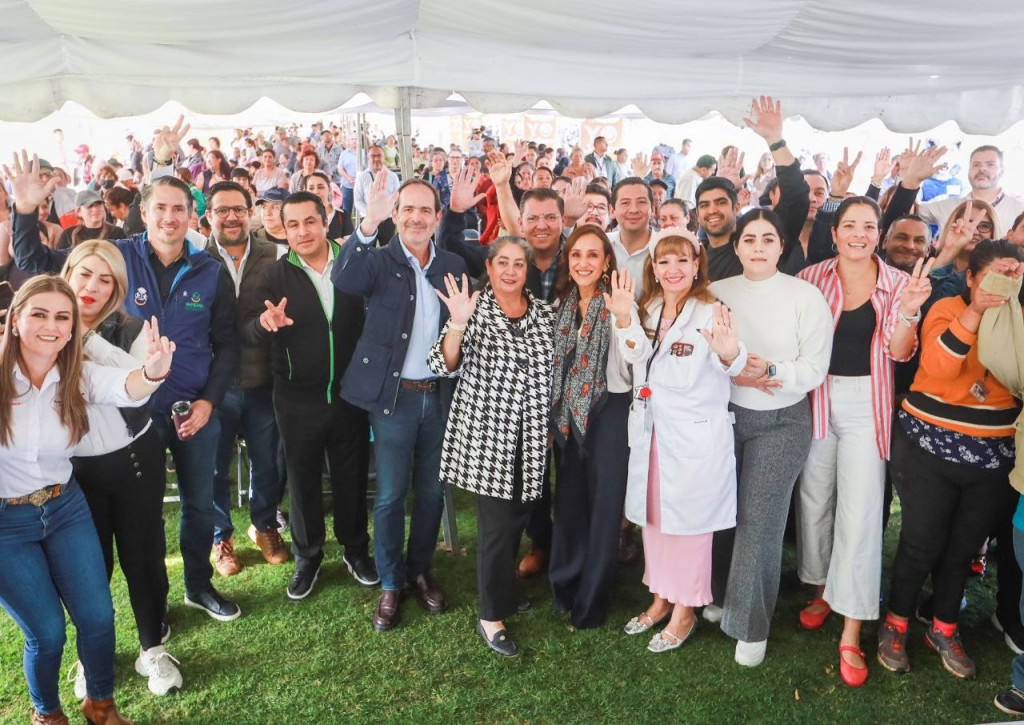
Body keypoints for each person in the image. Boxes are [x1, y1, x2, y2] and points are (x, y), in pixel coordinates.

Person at [9, 129, 243, 624]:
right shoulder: (117, 255)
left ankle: (198, 587)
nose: (170, 217)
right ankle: (140, 611)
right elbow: (41, 266)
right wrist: (26, 214)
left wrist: (209, 403)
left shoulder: (209, 269)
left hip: (193, 410)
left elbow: (227, 344)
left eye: (180, 209)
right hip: (127, 421)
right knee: (142, 525)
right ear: (144, 211)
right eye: (161, 207)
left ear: (191, 215)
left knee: (202, 505)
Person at [0, 275, 174, 725]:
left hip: (64, 508)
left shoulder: (75, 372)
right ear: (15, 319)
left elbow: (124, 386)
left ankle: (101, 707)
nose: (51, 326)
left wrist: (152, 371)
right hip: (6, 523)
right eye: (39, 314)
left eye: (63, 317)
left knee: (98, 618)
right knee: (48, 633)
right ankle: (48, 715)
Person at [794, 196, 932, 687]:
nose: (858, 233)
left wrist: (911, 313)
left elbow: (899, 351)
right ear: (834, 233)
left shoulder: (899, 284)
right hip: (816, 397)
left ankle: (851, 626)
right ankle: (820, 587)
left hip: (866, 401)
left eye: (868, 226)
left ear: (879, 234)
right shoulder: (812, 279)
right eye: (849, 225)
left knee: (862, 508)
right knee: (813, 499)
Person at [878, 240, 1024, 680]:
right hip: (928, 447)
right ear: (973, 278)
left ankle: (943, 626)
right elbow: (940, 368)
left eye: (1016, 274)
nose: (1007, 283)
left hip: (993, 454)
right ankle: (895, 623)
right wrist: (976, 312)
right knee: (921, 540)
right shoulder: (947, 308)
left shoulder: (1019, 321)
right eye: (998, 274)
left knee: (963, 548)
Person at [334, 173, 467, 631]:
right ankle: (391, 581)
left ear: (436, 217)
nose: (415, 217)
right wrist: (365, 225)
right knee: (391, 496)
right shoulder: (376, 261)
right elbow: (344, 276)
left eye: (424, 210)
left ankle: (419, 570)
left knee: (431, 491)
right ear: (395, 214)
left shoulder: (451, 263)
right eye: (406, 209)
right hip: (393, 402)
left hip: (439, 398)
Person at [609, 231, 746, 653]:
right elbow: (635, 357)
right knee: (654, 519)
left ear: (696, 264)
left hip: (692, 440)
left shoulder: (711, 310)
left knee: (689, 529)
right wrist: (624, 318)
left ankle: (685, 611)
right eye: (665, 262)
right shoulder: (646, 307)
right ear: (653, 267)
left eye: (682, 261)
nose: (674, 270)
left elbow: (734, 361)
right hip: (652, 434)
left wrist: (728, 353)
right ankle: (660, 599)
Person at [707, 209, 833, 667]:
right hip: (724, 419)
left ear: (782, 246)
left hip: (782, 421)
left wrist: (771, 371)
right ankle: (721, 595)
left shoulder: (806, 296)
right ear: (736, 246)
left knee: (760, 522)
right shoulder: (717, 293)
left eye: (768, 238)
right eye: (749, 238)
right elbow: (703, 356)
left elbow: (815, 368)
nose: (758, 246)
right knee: (722, 515)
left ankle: (750, 626)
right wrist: (736, 370)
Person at [60, 241, 183, 698]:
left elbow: (139, 383)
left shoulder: (131, 327)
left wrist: (87, 339)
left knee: (143, 556)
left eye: (104, 279)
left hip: (132, 460)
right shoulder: (45, 325)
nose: (91, 287)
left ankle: (153, 646)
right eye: (84, 274)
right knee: (88, 567)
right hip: (71, 471)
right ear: (67, 272)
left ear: (117, 288)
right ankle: (91, 654)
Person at [427, 238, 554, 656]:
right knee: (497, 529)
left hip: (531, 437)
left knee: (517, 519)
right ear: (490, 265)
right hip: (488, 437)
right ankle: (490, 615)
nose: (512, 271)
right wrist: (459, 323)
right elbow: (443, 363)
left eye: (520, 263)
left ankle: (503, 589)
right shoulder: (474, 308)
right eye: (504, 262)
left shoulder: (542, 313)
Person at [251, 191, 377, 599]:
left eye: (310, 221)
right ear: (282, 230)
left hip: (350, 396)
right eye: (293, 225)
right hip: (296, 398)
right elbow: (250, 332)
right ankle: (308, 558)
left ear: (326, 221)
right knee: (302, 481)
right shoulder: (273, 276)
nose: (303, 231)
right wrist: (263, 324)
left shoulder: (353, 264)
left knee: (351, 476)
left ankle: (356, 551)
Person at [547, 225, 631, 629]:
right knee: (568, 505)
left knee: (603, 509)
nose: (583, 263)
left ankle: (592, 600)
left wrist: (625, 317)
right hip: (566, 418)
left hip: (609, 411)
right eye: (576, 254)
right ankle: (565, 585)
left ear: (606, 262)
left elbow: (633, 362)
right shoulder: (562, 304)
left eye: (592, 255)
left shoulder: (618, 304)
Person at [202, 181, 287, 576]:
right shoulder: (195, 259)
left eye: (238, 209)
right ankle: (221, 537)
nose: (231, 217)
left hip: (263, 380)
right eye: (222, 210)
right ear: (209, 216)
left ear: (250, 212)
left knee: (267, 462)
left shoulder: (276, 255)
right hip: (213, 387)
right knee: (215, 468)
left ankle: (264, 525)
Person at [55, 190, 126, 250]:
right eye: (89, 206)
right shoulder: (68, 235)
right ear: (79, 212)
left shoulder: (117, 233)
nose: (95, 209)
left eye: (98, 204)